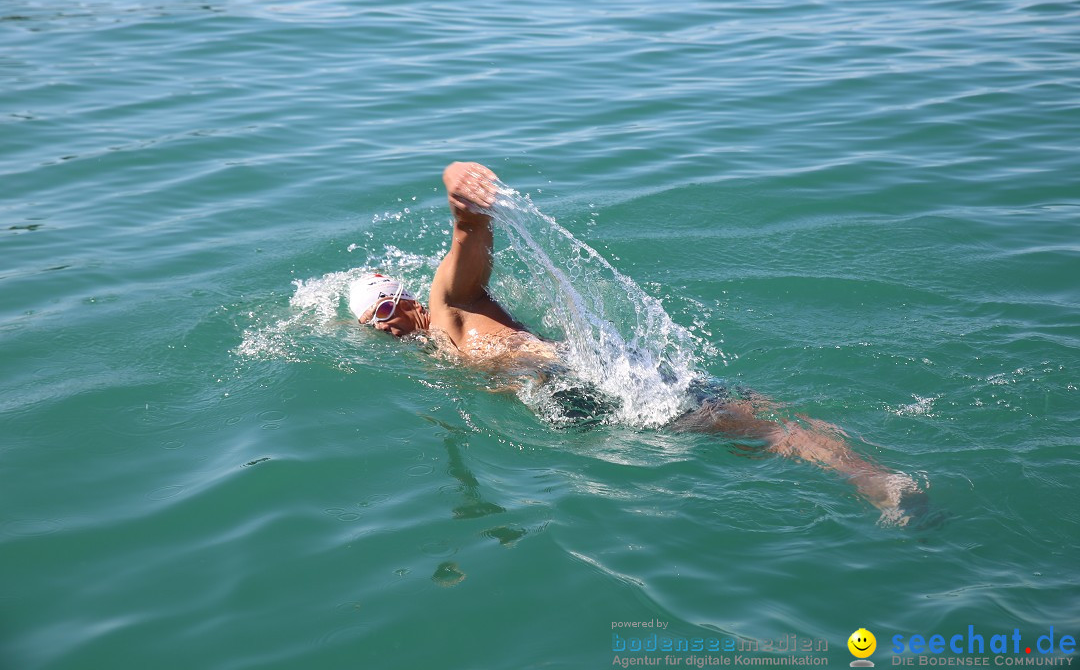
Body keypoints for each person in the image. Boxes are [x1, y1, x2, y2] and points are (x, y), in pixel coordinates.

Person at [350, 162, 927, 524]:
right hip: (590, 377)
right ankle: (873, 473)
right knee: (751, 420)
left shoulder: (452, 305)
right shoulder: (431, 353)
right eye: (372, 322)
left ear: (405, 298)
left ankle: (870, 479)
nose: (384, 325)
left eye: (384, 308)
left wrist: (458, 182)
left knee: (747, 423)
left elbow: (467, 230)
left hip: (569, 387)